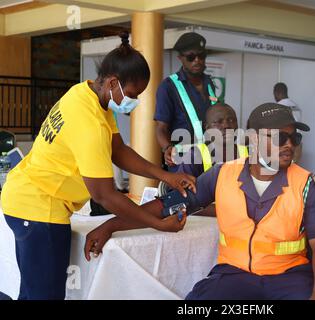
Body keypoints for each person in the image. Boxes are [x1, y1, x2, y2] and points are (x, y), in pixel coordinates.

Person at [0, 32, 195, 300]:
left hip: (27, 197)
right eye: (132, 94)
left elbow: (118, 150)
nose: (134, 102)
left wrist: (165, 176)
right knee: (43, 296)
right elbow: (104, 195)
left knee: (37, 291)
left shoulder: (87, 94)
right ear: (113, 82)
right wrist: (156, 224)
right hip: (38, 207)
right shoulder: (88, 122)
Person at [85, 103, 315, 300]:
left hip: (291, 277)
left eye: (294, 138)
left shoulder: (308, 184)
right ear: (253, 139)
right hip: (234, 275)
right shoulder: (222, 174)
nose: (289, 145)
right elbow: (164, 206)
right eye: (278, 138)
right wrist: (111, 225)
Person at [154, 32, 217, 172]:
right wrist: (167, 148)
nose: (197, 61)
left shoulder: (209, 83)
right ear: (180, 58)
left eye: (201, 56)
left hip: (211, 158)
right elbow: (161, 127)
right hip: (183, 161)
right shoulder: (168, 86)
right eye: (191, 57)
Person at [176, 102, 247, 178]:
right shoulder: (195, 156)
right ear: (208, 129)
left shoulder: (247, 153)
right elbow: (181, 187)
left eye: (231, 120)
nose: (226, 125)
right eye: (219, 122)